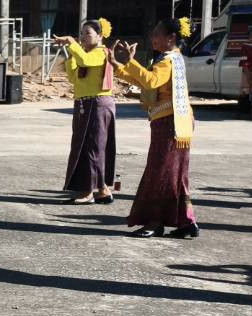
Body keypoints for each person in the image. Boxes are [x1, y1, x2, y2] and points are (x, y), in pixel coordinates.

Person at [111, 20, 199, 238]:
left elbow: (150, 81)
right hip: (176, 122)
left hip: (170, 123)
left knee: (161, 173)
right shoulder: (170, 58)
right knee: (174, 175)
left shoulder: (168, 61)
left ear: (170, 38)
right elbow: (147, 82)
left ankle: (155, 222)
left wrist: (130, 62)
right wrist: (119, 66)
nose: (152, 39)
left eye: (156, 35)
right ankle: (186, 222)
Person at [52, 20, 116, 204]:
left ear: (100, 37)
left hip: (97, 104)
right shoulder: (83, 53)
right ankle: (103, 190)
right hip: (84, 104)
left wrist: (71, 42)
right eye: (81, 33)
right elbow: (73, 78)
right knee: (87, 146)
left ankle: (88, 192)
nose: (83, 37)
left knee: (92, 147)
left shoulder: (101, 52)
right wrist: (70, 52)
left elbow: (85, 60)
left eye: (87, 33)